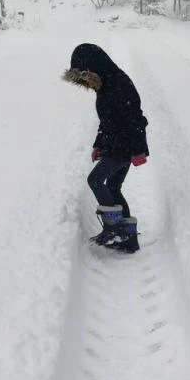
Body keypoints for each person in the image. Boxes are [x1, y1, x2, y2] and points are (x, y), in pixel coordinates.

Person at [63, 43, 149, 253]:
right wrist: (99, 145)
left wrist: (138, 150)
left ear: (94, 67)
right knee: (112, 187)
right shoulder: (105, 84)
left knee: (95, 180)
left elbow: (135, 119)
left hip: (124, 146)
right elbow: (107, 120)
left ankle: (113, 228)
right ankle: (128, 238)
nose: (85, 82)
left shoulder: (119, 84)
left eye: (85, 75)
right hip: (114, 144)